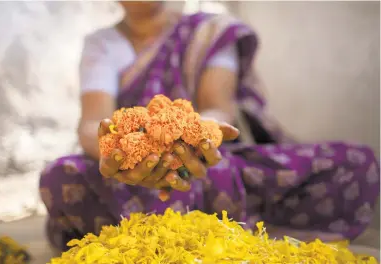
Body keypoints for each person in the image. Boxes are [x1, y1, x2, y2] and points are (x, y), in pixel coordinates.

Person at [39, 1, 380, 251]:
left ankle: (173, 228)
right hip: (125, 177)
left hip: (205, 166)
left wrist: (199, 135)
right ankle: (200, 231)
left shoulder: (210, 32)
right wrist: (116, 155)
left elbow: (217, 106)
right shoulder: (102, 44)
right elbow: (91, 124)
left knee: (356, 163)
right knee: (60, 177)